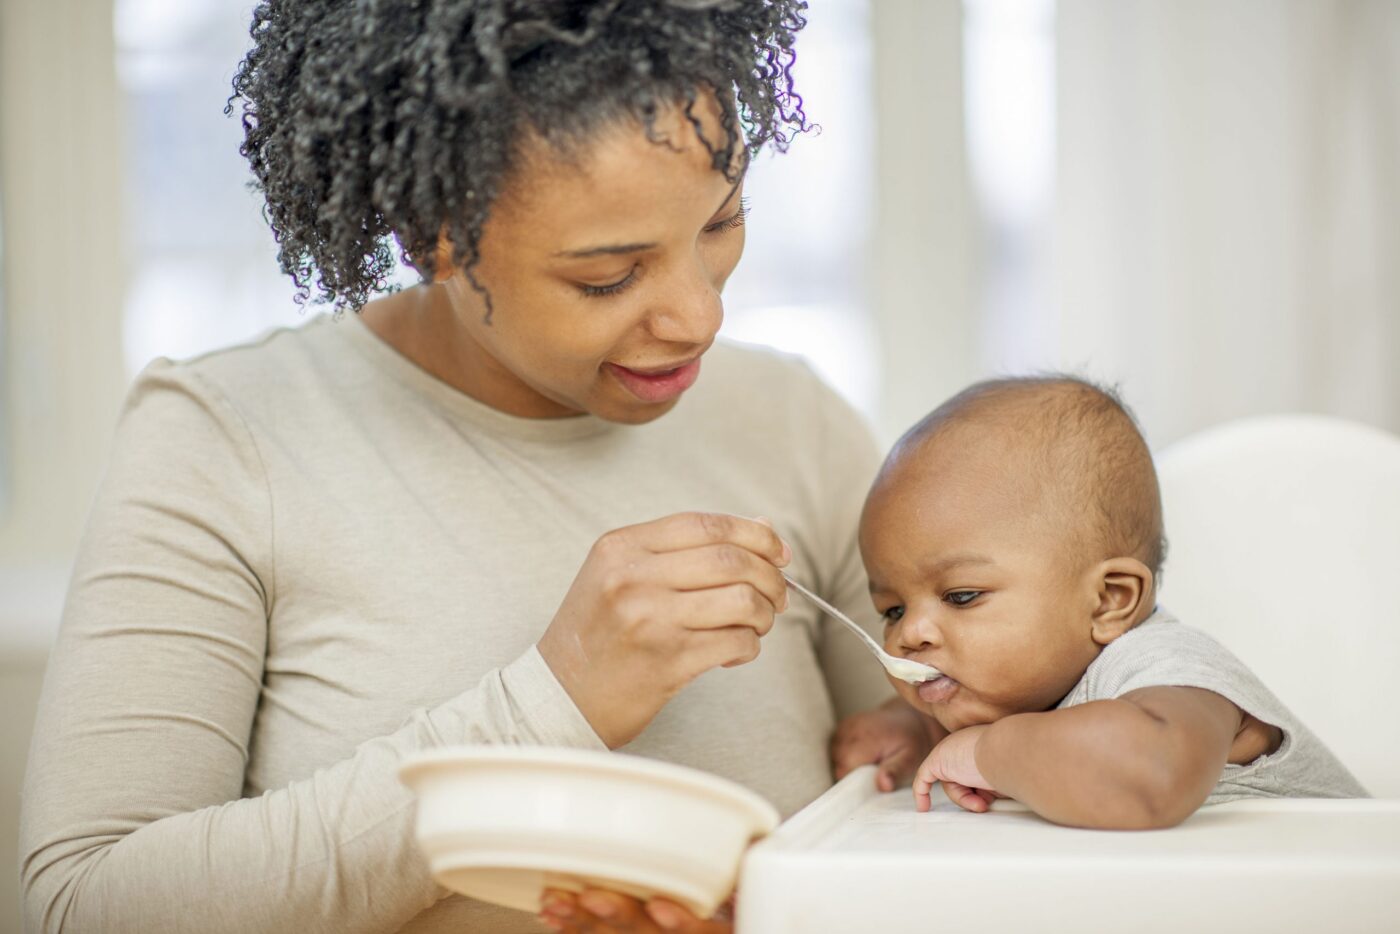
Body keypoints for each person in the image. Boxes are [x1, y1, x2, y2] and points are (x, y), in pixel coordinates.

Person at [19, 2, 931, 932]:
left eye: (722, 223)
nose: (699, 317)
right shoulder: (225, 440)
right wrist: (555, 700)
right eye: (608, 276)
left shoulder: (794, 421)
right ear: (432, 234)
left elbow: (941, 792)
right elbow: (87, 904)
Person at [859, 376, 1368, 829]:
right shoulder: (1023, 687)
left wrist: (985, 753)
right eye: (893, 610)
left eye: (961, 596)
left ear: (1108, 601)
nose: (911, 634)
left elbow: (1147, 776)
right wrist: (912, 727)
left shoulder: (1167, 670)